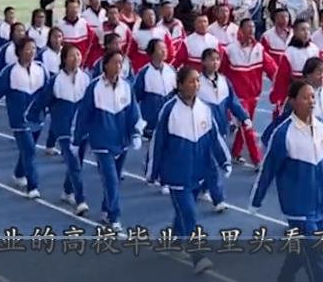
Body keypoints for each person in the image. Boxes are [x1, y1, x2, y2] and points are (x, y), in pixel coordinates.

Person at [251, 79, 323, 282]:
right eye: (305, 97)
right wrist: (256, 201)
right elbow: (268, 170)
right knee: (315, 256)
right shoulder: (283, 134)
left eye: (312, 97)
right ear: (293, 101)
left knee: (304, 251)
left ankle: (284, 278)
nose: (311, 101)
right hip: (298, 208)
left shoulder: (322, 127)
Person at [147, 67, 229, 273]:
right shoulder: (169, 110)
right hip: (176, 175)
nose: (196, 85)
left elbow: (214, 137)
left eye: (197, 81)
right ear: (180, 84)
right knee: (190, 213)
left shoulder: (205, 108)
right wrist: (152, 172)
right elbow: (158, 143)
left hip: (198, 173)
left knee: (184, 213)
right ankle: (197, 255)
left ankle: (174, 241)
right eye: (191, 81)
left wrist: (224, 160)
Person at [73, 49, 141, 228]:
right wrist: (76, 140)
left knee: (115, 178)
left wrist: (136, 132)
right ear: (106, 65)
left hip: (122, 140)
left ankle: (106, 208)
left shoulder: (127, 86)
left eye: (121, 62)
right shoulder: (94, 87)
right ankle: (114, 216)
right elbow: (84, 115)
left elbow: (133, 112)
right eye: (115, 62)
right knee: (110, 179)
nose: (119, 66)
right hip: (102, 141)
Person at [0, 37, 48, 198]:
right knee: (29, 150)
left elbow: (48, 92)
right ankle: (32, 186)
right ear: (19, 51)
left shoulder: (41, 69)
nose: (31, 52)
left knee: (27, 149)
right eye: (28, 48)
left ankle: (18, 173)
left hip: (37, 117)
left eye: (34, 48)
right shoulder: (10, 72)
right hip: (19, 119)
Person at [30, 43, 90, 215]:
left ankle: (67, 191)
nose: (76, 58)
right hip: (63, 128)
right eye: (72, 55)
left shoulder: (86, 79)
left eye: (78, 54)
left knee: (78, 161)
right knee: (73, 162)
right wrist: (32, 116)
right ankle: (80, 200)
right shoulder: (56, 80)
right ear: (64, 59)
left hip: (81, 127)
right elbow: (42, 101)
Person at [197, 47, 252, 212]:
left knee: (210, 162)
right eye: (211, 59)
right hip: (203, 130)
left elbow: (233, 102)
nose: (215, 62)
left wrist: (244, 117)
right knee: (213, 163)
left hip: (221, 128)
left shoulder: (223, 81)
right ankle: (218, 199)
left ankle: (202, 188)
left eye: (217, 59)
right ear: (203, 62)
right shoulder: (197, 82)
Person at [222, 17, 275, 168]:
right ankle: (257, 159)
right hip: (238, 97)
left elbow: (272, 69)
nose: (251, 30)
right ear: (240, 30)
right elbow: (221, 71)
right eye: (248, 27)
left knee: (245, 124)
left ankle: (235, 152)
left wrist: (281, 84)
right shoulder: (230, 50)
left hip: (254, 95)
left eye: (253, 27)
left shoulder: (259, 49)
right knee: (247, 126)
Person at [134, 38, 178, 191]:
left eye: (165, 48)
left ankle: (163, 178)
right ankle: (153, 172)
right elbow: (136, 96)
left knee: (166, 147)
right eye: (160, 49)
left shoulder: (171, 70)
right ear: (152, 53)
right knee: (156, 147)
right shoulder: (144, 73)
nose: (164, 51)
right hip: (152, 118)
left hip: (169, 117)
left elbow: (176, 93)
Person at [270, 19, 320, 118]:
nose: (306, 33)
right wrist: (278, 97)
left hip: (313, 92)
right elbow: (282, 77)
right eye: (302, 30)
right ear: (295, 32)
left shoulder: (315, 49)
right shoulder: (290, 52)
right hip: (295, 95)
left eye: (308, 29)